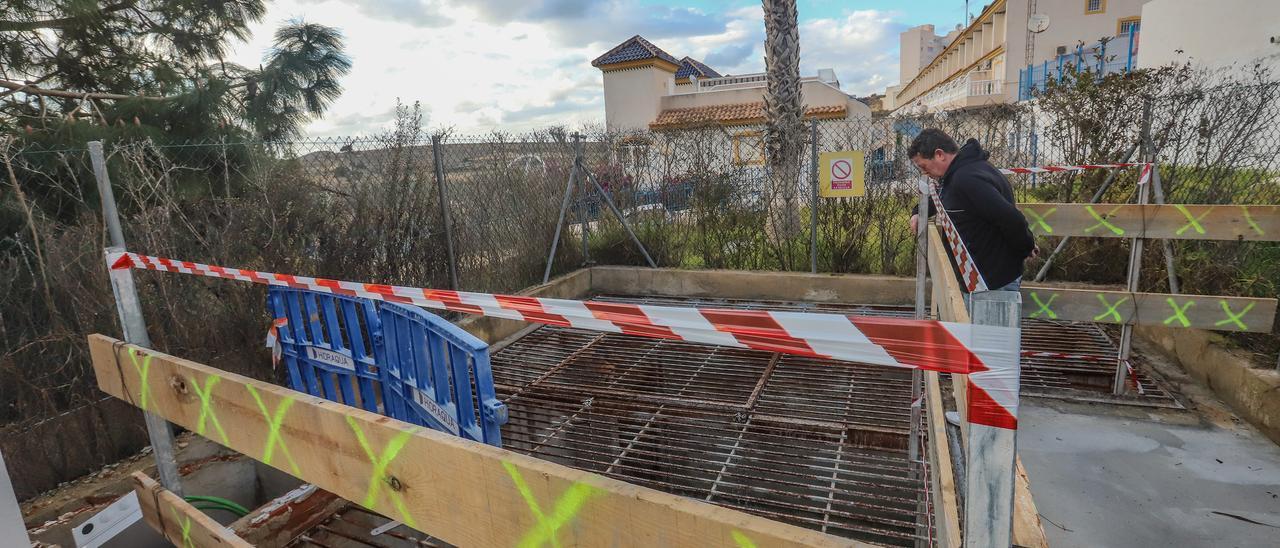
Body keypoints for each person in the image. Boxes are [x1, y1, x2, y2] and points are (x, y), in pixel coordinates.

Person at [908, 129, 1035, 292]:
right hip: (982, 278)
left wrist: (1026, 246)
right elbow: (946, 196)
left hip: (991, 282)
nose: (924, 172)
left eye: (923, 166)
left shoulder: (966, 179)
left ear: (939, 154)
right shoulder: (960, 174)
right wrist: (919, 211)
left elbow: (1010, 218)